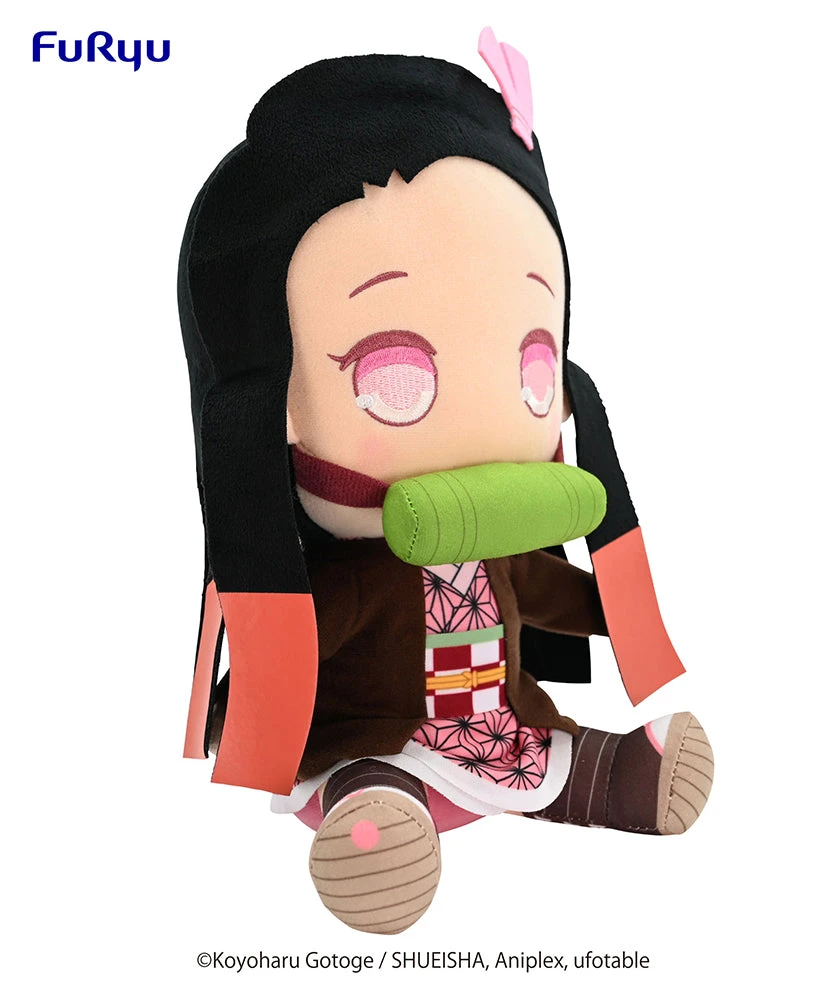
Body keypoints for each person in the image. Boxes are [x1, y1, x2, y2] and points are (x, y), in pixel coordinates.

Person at [178, 30, 713, 935]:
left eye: (535, 366)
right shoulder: (356, 578)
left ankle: (622, 774)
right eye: (395, 375)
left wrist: (610, 612)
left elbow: (543, 591)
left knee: (546, 753)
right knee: (369, 772)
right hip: (381, 740)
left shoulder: (496, 553)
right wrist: (238, 704)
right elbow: (309, 635)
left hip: (499, 726)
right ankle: (372, 827)